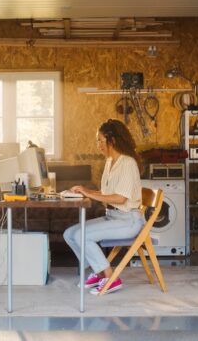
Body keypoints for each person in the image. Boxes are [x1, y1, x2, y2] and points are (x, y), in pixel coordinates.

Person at [63, 118, 143, 295]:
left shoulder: (127, 163)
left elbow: (120, 199)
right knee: (69, 234)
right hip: (113, 216)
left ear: (112, 140)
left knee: (82, 235)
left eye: (100, 140)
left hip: (128, 220)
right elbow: (106, 193)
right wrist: (85, 192)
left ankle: (110, 277)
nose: (98, 144)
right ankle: (99, 272)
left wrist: (88, 192)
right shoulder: (109, 162)